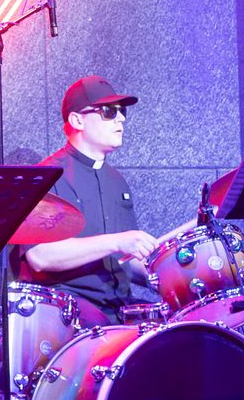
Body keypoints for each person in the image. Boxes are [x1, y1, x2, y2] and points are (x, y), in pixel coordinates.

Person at [17, 75, 162, 322]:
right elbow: (40, 256)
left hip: (121, 309)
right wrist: (116, 242)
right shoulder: (47, 177)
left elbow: (124, 258)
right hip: (69, 313)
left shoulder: (117, 181)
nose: (121, 118)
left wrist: (161, 276)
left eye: (122, 111)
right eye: (109, 111)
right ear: (77, 120)